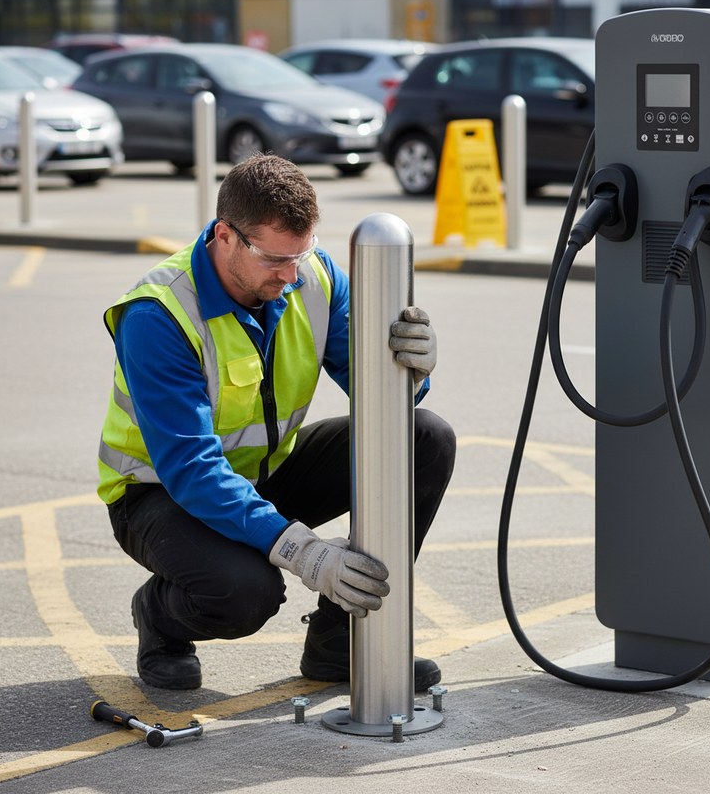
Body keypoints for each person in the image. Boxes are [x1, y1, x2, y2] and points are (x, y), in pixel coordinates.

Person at [97, 153, 456, 693]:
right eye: (273, 259)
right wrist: (304, 552)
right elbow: (192, 470)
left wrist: (410, 370)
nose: (291, 276)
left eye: (301, 254)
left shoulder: (311, 276)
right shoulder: (158, 315)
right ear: (225, 236)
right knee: (245, 594)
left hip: (267, 471)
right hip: (159, 496)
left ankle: (339, 641)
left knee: (424, 438)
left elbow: (374, 388)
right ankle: (159, 616)